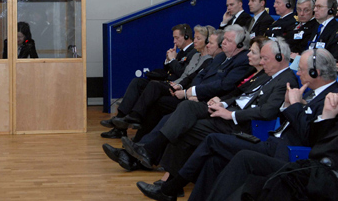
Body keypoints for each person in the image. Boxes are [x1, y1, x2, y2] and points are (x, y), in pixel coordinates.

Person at [136, 48, 338, 201]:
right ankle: (171, 188)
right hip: (271, 141)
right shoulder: (313, 93)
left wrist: (293, 105)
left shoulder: (330, 98)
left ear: (316, 73)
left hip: (282, 151)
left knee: (210, 140)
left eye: (304, 70)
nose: (300, 74)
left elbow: (309, 135)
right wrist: (290, 106)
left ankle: (168, 188)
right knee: (212, 158)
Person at [122, 38, 297, 171]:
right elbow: (240, 95)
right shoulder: (265, 74)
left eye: (261, 56)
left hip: (239, 122)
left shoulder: (282, 78)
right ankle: (145, 152)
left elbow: (264, 110)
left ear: (279, 57)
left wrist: (229, 111)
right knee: (178, 111)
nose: (258, 59)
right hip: (225, 108)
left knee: (183, 120)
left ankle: (150, 157)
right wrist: (222, 102)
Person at [206, 56, 338, 201]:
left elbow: (314, 145)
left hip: (310, 174)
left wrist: (296, 106)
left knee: (248, 173)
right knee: (216, 161)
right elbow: (320, 148)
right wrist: (326, 114)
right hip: (301, 165)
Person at [102, 30, 224, 172]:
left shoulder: (213, 61)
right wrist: (181, 86)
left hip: (199, 102)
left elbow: (218, 85)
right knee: (155, 102)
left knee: (167, 112)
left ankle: (134, 151)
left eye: (210, 42)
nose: (208, 45)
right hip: (185, 92)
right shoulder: (211, 60)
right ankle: (133, 149)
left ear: (221, 46)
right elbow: (192, 76)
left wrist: (187, 91)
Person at [110, 26, 215, 135]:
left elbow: (185, 74)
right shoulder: (195, 56)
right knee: (138, 82)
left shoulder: (197, 55)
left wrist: (173, 63)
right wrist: (169, 60)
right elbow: (181, 74)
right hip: (175, 83)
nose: (195, 41)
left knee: (154, 87)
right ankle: (121, 119)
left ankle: (134, 118)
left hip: (181, 88)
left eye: (198, 38)